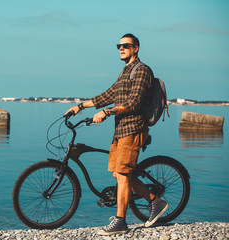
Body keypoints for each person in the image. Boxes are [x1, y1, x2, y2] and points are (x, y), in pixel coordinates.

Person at [65, 33, 168, 236]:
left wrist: (106, 112)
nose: (121, 48)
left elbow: (134, 103)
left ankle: (121, 222)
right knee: (119, 174)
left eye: (126, 45)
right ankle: (155, 202)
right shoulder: (125, 72)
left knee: (122, 175)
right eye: (119, 45)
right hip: (120, 131)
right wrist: (80, 107)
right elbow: (108, 95)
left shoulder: (142, 71)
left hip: (134, 129)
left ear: (136, 48)